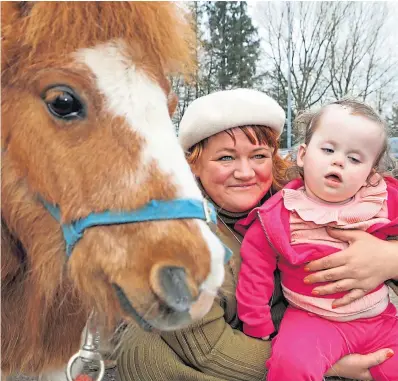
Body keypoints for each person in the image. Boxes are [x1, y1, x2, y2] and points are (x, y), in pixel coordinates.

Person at [117, 89, 398, 381]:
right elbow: (207, 349)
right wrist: (328, 364)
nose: (245, 172)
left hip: (328, 331)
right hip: (224, 359)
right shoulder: (174, 240)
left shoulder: (304, 194)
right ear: (194, 164)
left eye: (259, 155)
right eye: (225, 158)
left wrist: (390, 258)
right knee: (149, 355)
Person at [236, 98, 398, 380]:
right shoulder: (280, 214)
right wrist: (256, 322)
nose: (338, 160)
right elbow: (255, 268)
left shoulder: (382, 201)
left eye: (355, 158)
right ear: (302, 154)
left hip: (380, 321)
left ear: (370, 174)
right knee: (290, 365)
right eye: (328, 149)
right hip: (312, 321)